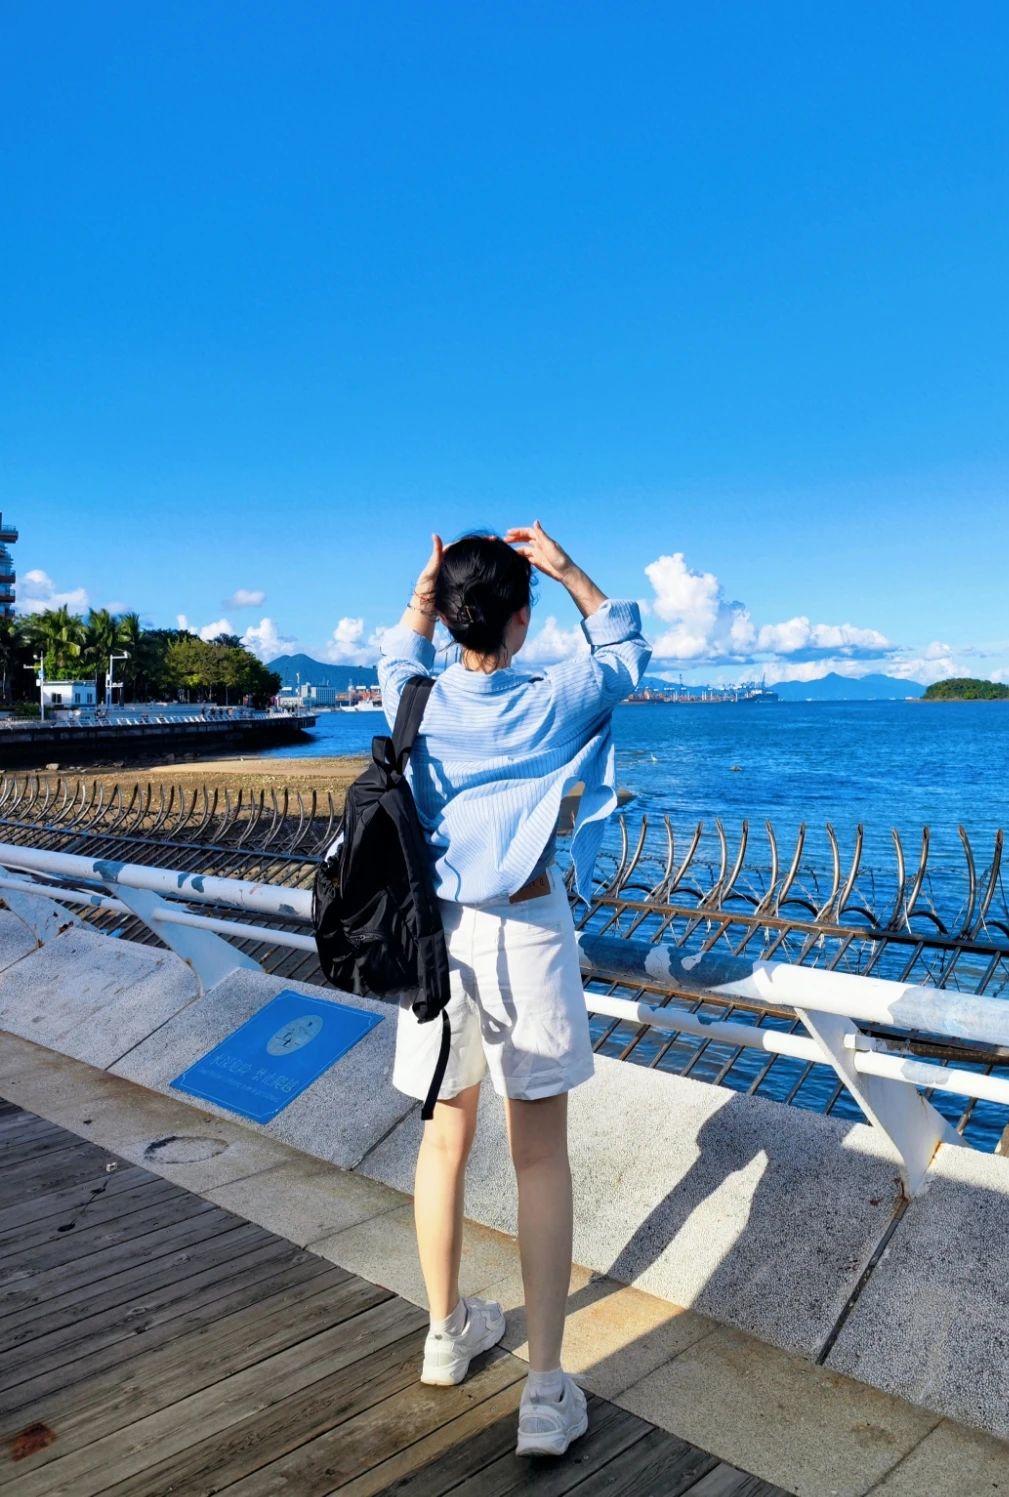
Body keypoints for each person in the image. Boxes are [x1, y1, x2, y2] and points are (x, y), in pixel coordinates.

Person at [377, 521, 650, 1457]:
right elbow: (623, 649)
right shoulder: (549, 700)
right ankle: (543, 1391)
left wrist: (430, 589)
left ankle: (446, 1333)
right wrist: (568, 566)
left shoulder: (412, 699)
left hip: (436, 937)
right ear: (522, 621)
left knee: (444, 1140)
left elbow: (395, 651)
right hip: (526, 929)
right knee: (539, 1156)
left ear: (451, 616)